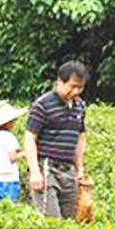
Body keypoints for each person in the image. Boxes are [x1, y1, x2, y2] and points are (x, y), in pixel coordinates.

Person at [26, 61, 90, 219]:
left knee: (71, 221)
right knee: (51, 220)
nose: (76, 91)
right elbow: (30, 137)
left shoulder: (80, 106)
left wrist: (79, 168)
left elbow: (80, 136)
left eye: (80, 87)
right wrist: (35, 171)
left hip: (69, 171)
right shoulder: (42, 105)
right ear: (59, 82)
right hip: (47, 168)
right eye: (72, 86)